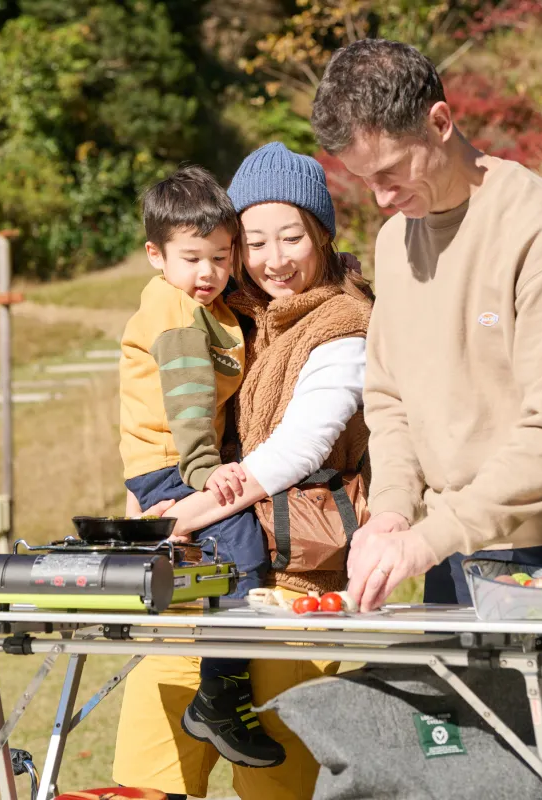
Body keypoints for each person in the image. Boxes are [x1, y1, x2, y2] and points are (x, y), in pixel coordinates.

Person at [311, 40, 542, 799]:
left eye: (388, 173)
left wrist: (429, 534)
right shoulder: (396, 238)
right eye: (360, 180)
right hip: (454, 562)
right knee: (478, 789)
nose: (378, 197)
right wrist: (396, 513)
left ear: (440, 122)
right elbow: (392, 399)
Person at [113, 142, 374, 800]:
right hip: (196, 580)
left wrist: (186, 513)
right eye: (254, 241)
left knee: (274, 785)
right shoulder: (222, 317)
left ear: (320, 234)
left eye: (291, 236)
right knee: (150, 774)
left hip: (290, 587)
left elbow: (300, 448)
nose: (273, 258)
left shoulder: (343, 326)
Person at [117, 165, 281, 769]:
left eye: (220, 255)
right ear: (156, 256)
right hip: (174, 463)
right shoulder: (175, 309)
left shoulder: (209, 307)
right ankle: (219, 692)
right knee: (240, 550)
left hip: (178, 460)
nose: (208, 272)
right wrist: (205, 472)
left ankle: (219, 682)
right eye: (192, 258)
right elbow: (187, 399)